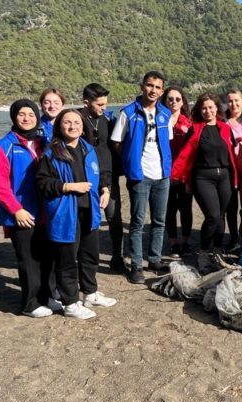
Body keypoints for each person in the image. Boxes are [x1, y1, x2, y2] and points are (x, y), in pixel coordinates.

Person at [36, 109, 117, 319]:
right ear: (59, 127)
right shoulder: (51, 153)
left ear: (83, 127)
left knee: (90, 256)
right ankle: (70, 303)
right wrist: (68, 187)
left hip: (89, 211)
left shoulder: (88, 149)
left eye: (77, 122)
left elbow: (98, 175)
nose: (73, 126)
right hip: (65, 214)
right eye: (67, 122)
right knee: (67, 260)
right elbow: (42, 183)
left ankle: (89, 293)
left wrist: (104, 190)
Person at [0, 99, 56, 317]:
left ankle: (47, 297)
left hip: (44, 210)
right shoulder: (4, 146)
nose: (26, 118)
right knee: (28, 259)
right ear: (13, 117)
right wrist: (16, 210)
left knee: (47, 256)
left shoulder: (43, 142)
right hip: (20, 213)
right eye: (21, 114)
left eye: (31, 114)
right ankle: (30, 304)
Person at [110, 71, 173, 284]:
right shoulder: (128, 112)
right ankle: (136, 265)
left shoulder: (165, 113)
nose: (153, 90)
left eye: (157, 87)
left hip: (162, 175)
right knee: (137, 222)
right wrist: (130, 160)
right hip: (139, 176)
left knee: (159, 221)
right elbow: (117, 142)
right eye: (149, 85)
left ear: (161, 90)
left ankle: (154, 259)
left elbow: (166, 142)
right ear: (142, 86)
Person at [171, 93, 238, 273]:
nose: (208, 111)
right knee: (212, 216)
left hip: (224, 176)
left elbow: (231, 154)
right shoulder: (195, 129)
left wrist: (235, 177)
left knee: (221, 216)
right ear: (200, 111)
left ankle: (217, 251)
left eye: (210, 107)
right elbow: (186, 156)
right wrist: (182, 178)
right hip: (203, 177)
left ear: (217, 108)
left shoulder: (225, 128)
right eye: (204, 108)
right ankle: (203, 251)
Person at [79, 83, 125, 271]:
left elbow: (110, 152)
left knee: (114, 218)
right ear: (86, 102)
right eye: (99, 104)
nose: (104, 108)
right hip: (86, 179)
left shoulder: (107, 120)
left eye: (105, 104)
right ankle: (86, 258)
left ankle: (117, 256)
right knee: (87, 219)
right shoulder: (77, 120)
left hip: (108, 178)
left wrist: (107, 183)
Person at [161, 86, 193, 258]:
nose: (173, 102)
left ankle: (186, 242)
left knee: (186, 209)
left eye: (177, 99)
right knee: (169, 210)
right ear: (164, 100)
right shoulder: (160, 121)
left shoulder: (188, 124)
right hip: (165, 174)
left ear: (183, 101)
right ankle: (173, 243)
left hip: (184, 174)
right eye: (170, 99)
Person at [223, 89, 242, 252]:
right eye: (230, 101)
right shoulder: (222, 121)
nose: (233, 104)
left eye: (236, 100)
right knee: (231, 206)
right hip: (228, 170)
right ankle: (233, 237)